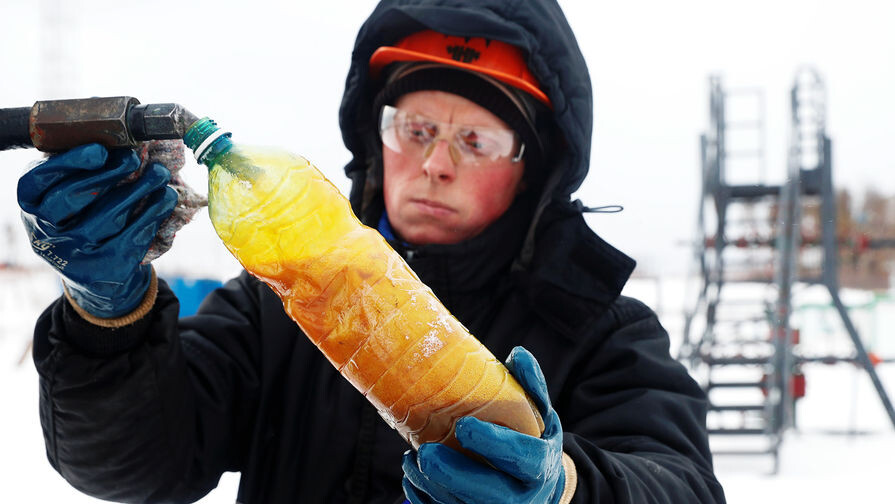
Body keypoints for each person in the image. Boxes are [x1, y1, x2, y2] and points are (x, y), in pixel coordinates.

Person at [17, 0, 726, 503]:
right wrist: (107, 317)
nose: (433, 163)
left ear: (533, 168)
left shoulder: (601, 328)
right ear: (374, 138)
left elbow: (678, 483)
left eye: (474, 140)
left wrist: (566, 489)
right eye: (413, 128)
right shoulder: (280, 301)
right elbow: (137, 466)